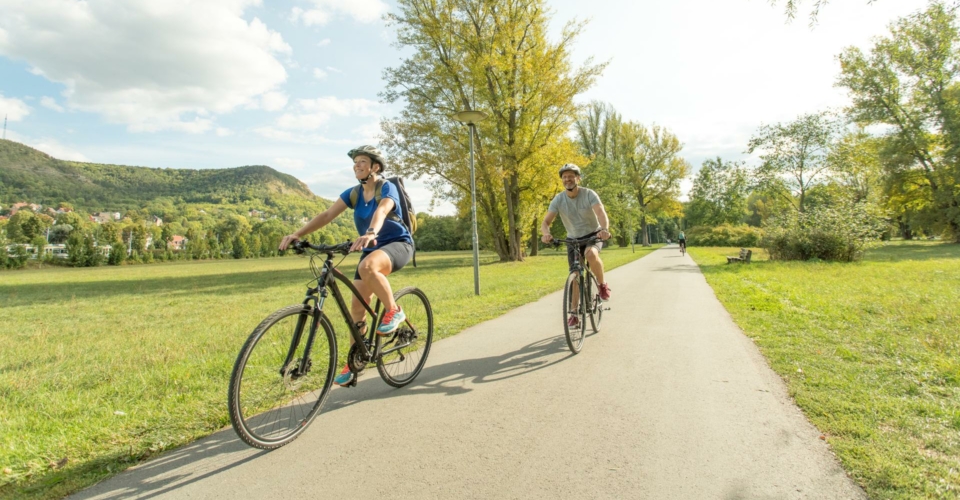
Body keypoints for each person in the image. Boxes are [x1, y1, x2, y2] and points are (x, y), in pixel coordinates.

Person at [279, 145, 415, 387]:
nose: (357, 166)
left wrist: (371, 231)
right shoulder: (352, 194)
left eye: (362, 161)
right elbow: (326, 216)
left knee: (368, 267)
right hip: (372, 248)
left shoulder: (386, 187)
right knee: (357, 308)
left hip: (397, 244)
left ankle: (394, 310)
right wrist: (296, 234)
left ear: (375, 166)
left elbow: (383, 210)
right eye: (355, 163)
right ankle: (355, 362)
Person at [540, 163, 612, 329]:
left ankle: (602, 285)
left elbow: (601, 213)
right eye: (565, 177)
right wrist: (546, 233)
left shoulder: (589, 194)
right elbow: (545, 222)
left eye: (571, 176)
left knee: (591, 255)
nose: (568, 179)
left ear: (577, 178)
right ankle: (573, 314)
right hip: (573, 239)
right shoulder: (558, 199)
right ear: (562, 180)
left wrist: (604, 229)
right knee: (574, 274)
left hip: (593, 235)